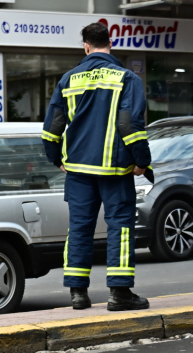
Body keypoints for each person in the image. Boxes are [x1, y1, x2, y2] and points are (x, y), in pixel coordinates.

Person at [41, 22, 152, 311]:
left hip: (78, 170)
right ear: (110, 44)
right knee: (120, 228)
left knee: (79, 228)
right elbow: (130, 124)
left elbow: (51, 129)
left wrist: (57, 158)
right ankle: (119, 293)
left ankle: (78, 293)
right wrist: (142, 160)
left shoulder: (68, 80)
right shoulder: (127, 79)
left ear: (86, 47)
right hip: (114, 170)